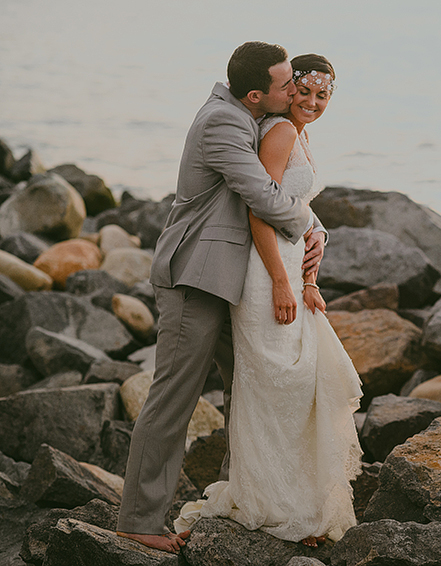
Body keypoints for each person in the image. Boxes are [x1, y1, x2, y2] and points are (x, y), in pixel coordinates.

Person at [116, 42, 327, 554]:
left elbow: (278, 189)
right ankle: (138, 520)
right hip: (197, 276)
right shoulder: (223, 123)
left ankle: (244, 503)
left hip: (237, 280)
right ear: (256, 94)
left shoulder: (254, 116)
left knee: (253, 389)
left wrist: (313, 229)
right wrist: (309, 224)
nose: (295, 89)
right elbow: (260, 194)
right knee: (174, 396)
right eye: (285, 85)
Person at [175, 54, 362, 547]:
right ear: (286, 90)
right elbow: (259, 212)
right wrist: (284, 282)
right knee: (280, 381)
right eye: (304, 92)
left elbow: (294, 202)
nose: (313, 103)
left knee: (288, 384)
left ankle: (289, 499)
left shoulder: (298, 133)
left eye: (323, 96)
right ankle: (272, 503)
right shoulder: (278, 132)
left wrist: (314, 247)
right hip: (265, 271)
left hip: (289, 260)